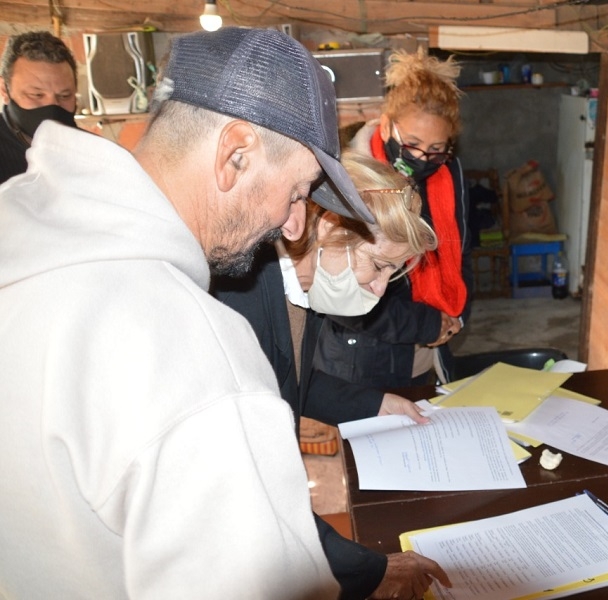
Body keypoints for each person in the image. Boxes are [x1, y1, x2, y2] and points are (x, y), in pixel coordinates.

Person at [0, 27, 385, 598]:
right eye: (299, 191)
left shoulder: (20, 222)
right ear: (235, 154)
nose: (294, 225)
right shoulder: (196, 353)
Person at [212, 152, 448, 599]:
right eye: (378, 266)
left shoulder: (308, 284)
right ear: (329, 230)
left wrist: (377, 403)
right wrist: (368, 571)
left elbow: (294, 382)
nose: (380, 290)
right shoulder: (244, 301)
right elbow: (255, 490)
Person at [313, 48, 474, 387]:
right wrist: (425, 324)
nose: (421, 157)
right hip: (364, 360)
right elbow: (335, 290)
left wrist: (456, 313)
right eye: (412, 143)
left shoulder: (447, 173)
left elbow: (460, 249)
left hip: (431, 352)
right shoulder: (347, 175)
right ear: (386, 125)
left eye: (436, 149)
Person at [0, 31, 78, 184]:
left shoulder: (91, 151)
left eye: (64, 96)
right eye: (36, 95)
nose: (52, 107)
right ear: (4, 90)